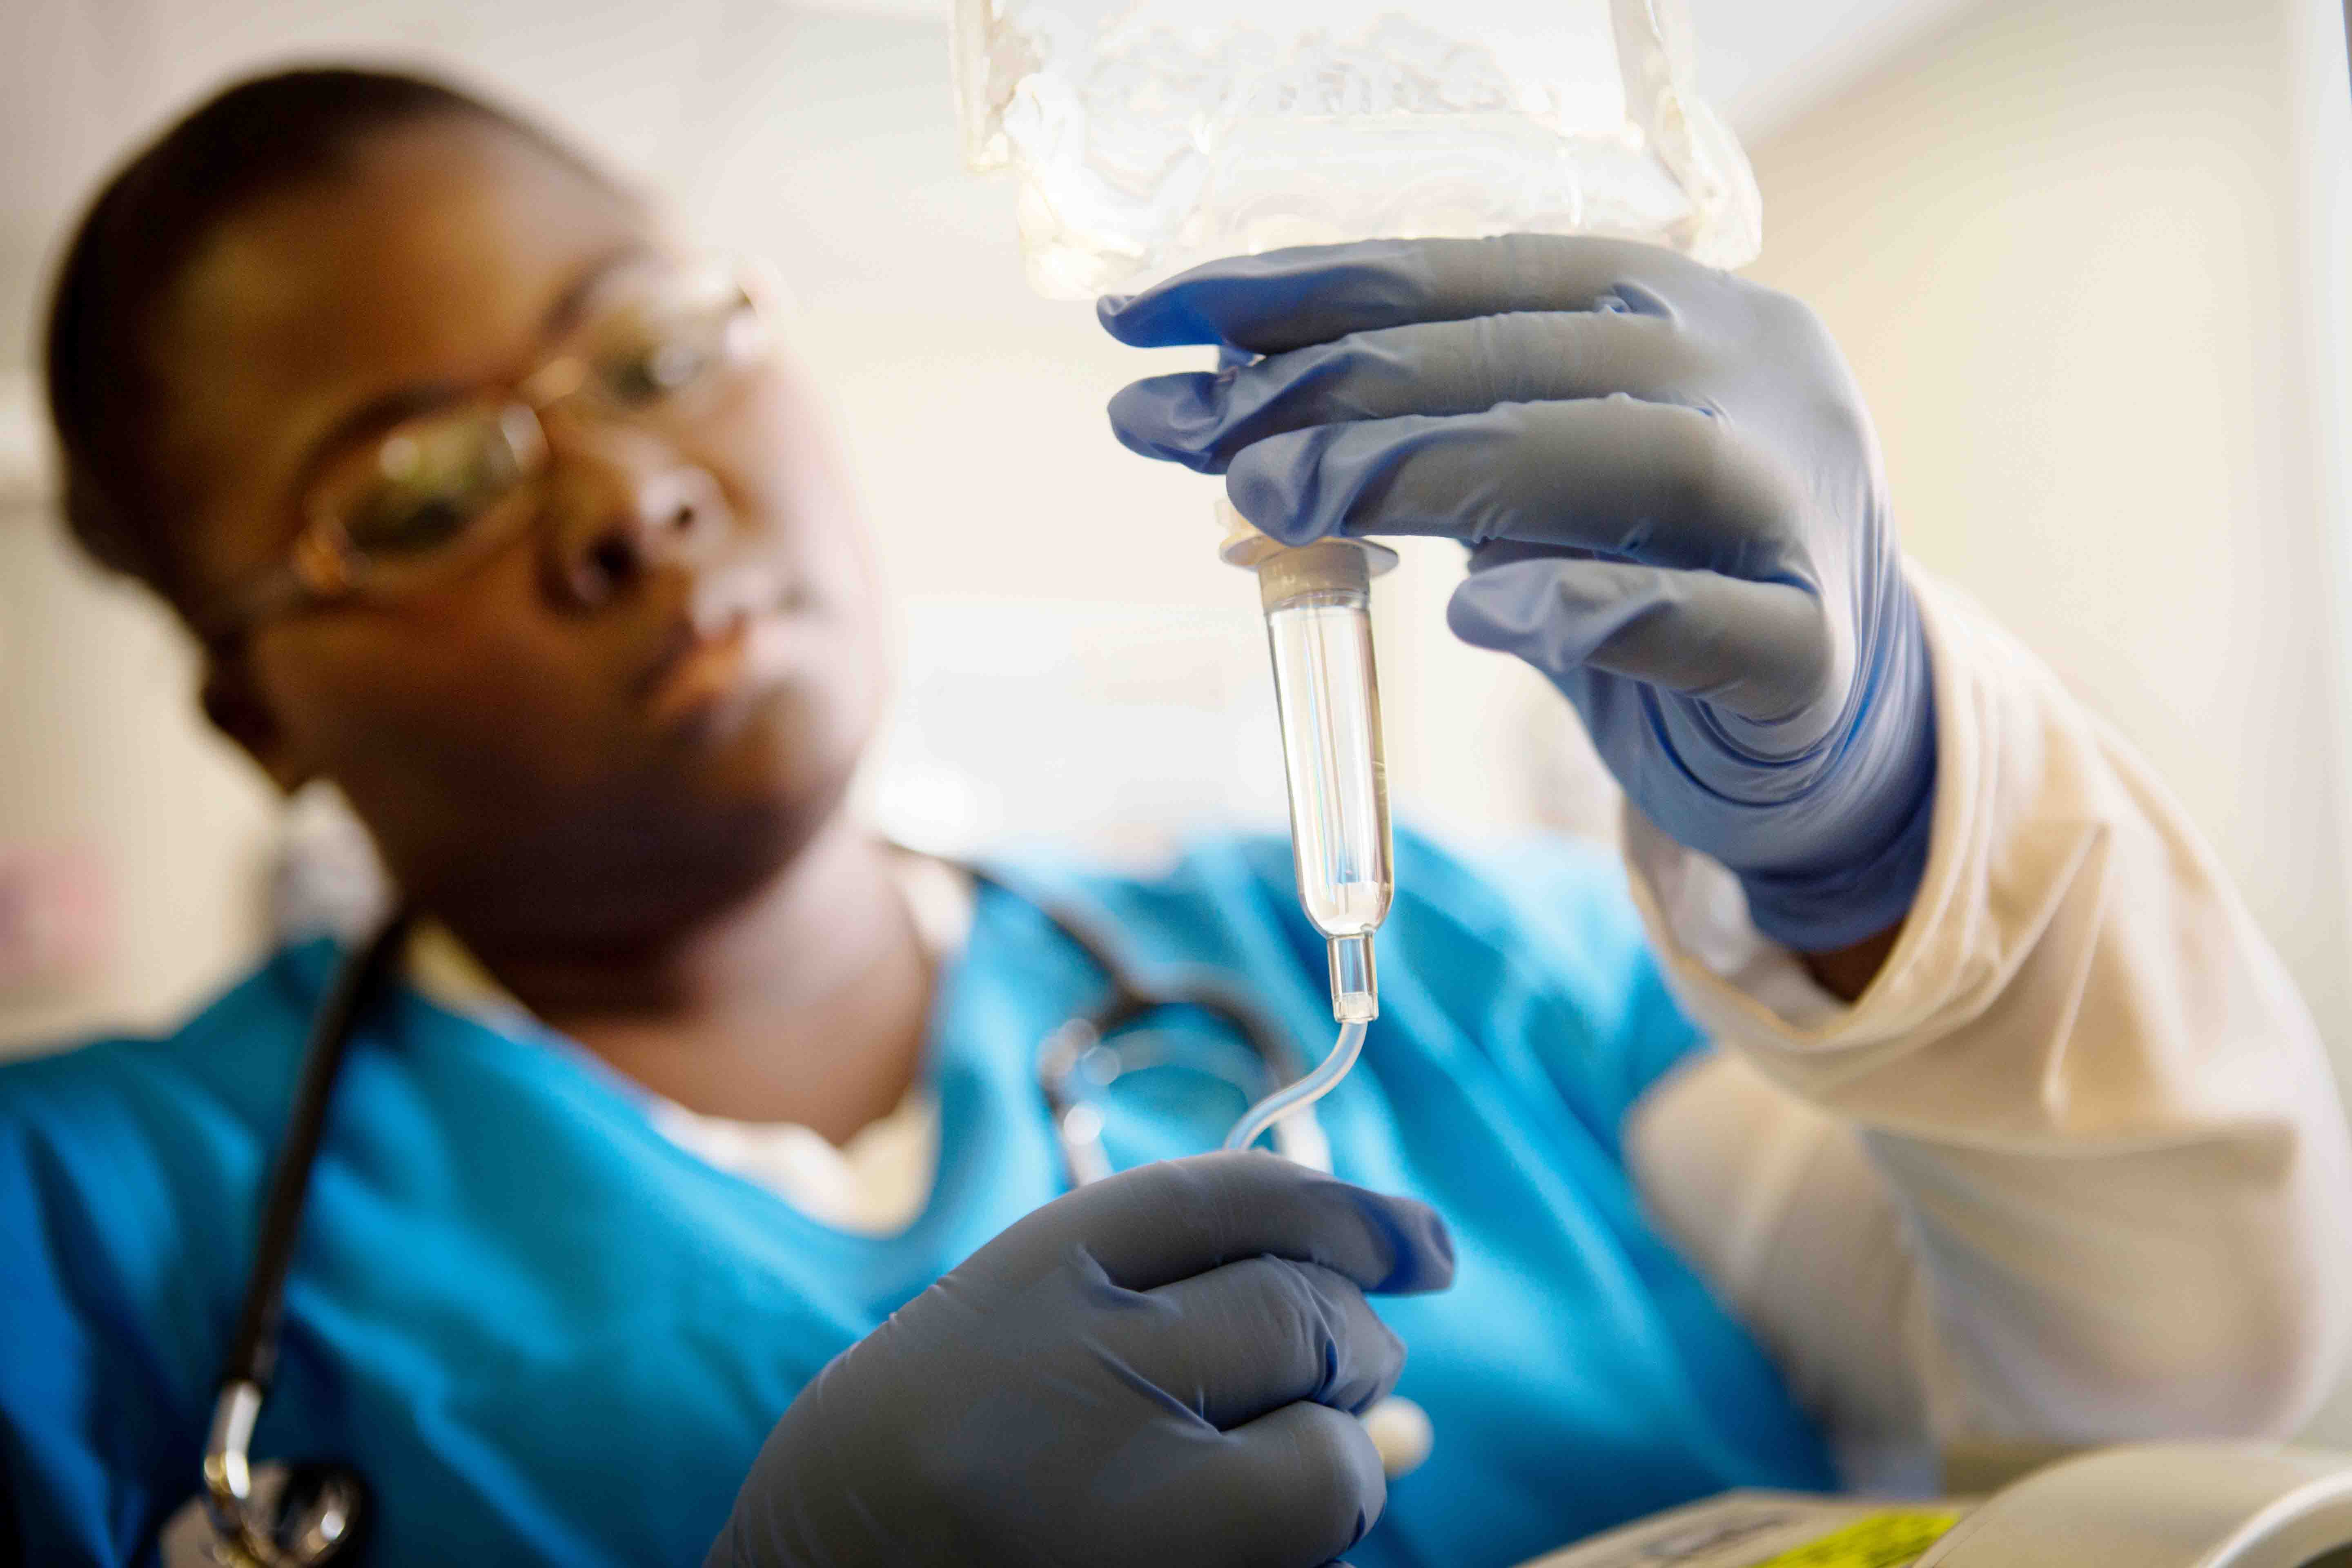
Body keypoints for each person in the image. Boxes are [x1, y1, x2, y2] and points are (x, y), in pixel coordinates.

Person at [1, 65, 2345, 1568]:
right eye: (418, 489)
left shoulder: (1473, 980)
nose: (627, 497)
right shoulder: (85, 1233)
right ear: (249, 705)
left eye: (645, 348)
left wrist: (1890, 838)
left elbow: (2170, 1419)